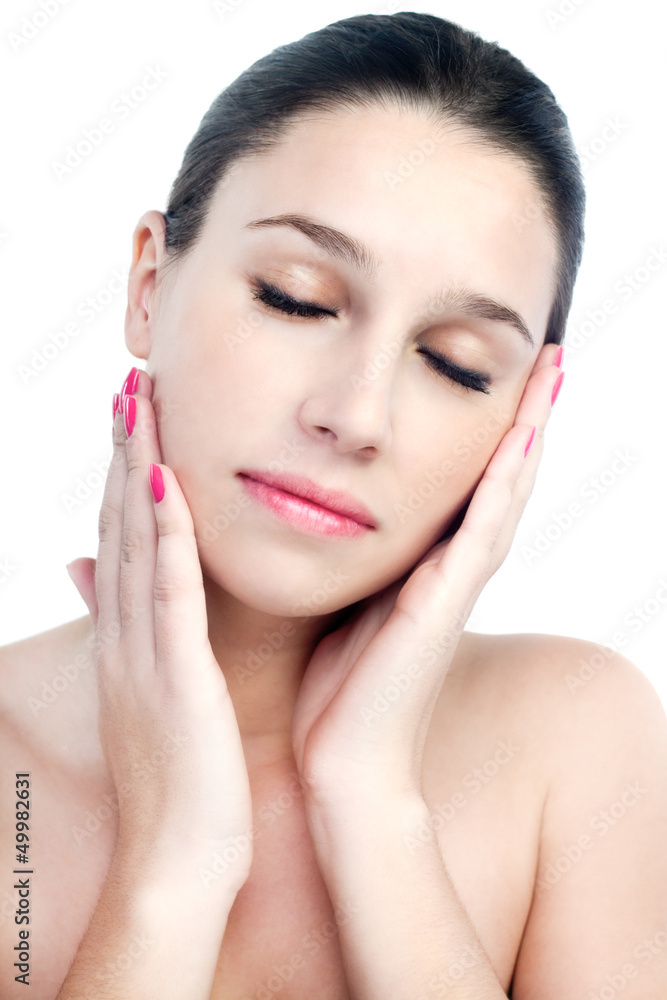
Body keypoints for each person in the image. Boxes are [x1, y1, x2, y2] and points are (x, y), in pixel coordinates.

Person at [1, 11, 666, 999]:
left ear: (529, 405)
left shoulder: (576, 738)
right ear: (149, 281)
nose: (356, 415)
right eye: (296, 297)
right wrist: (169, 865)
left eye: (455, 363)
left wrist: (371, 805)